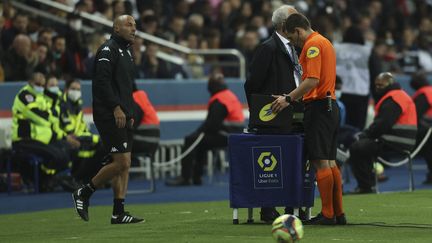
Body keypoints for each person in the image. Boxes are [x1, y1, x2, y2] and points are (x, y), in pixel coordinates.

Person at [271, 13, 345, 225]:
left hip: (320, 108)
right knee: (330, 162)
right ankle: (338, 213)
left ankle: (328, 215)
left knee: (319, 161)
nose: (294, 44)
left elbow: (312, 80)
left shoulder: (312, 46)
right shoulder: (325, 42)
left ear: (298, 31)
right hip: (331, 107)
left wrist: (288, 98)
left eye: (293, 39)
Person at [72, 15, 144, 224]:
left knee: (124, 164)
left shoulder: (127, 52)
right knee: (121, 162)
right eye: (129, 25)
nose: (133, 29)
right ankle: (84, 192)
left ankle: (118, 212)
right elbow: (102, 83)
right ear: (116, 28)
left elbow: (126, 87)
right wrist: (116, 108)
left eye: (135, 25)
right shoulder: (107, 50)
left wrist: (129, 113)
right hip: (109, 114)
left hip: (123, 114)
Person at [243, 5, 302, 223]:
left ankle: (290, 205)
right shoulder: (267, 48)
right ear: (283, 24)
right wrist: (260, 112)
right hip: (274, 116)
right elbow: (252, 84)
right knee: (271, 164)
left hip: (291, 114)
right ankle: (267, 209)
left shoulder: (292, 48)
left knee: (287, 163)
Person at [165, 73, 244, 186]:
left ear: (211, 86)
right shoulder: (228, 95)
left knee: (190, 140)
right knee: (200, 143)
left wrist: (198, 132)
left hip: (227, 135)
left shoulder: (219, 100)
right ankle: (197, 177)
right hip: (234, 134)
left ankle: (185, 177)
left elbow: (212, 125)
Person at [347, 72, 417, 193]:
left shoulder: (394, 98)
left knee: (358, 147)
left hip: (394, 141)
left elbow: (382, 124)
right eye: (376, 85)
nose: (378, 88)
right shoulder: (398, 95)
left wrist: (364, 135)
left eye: (381, 85)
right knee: (363, 146)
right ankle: (369, 184)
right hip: (400, 140)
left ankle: (366, 187)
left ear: (390, 84)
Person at [11, 72, 78, 192]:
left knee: (64, 154)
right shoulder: (25, 95)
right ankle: (43, 181)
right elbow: (39, 116)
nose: (40, 87)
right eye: (38, 84)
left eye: (42, 85)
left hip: (38, 140)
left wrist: (49, 118)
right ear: (30, 82)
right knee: (57, 155)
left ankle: (47, 180)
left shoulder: (39, 97)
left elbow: (50, 118)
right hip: (24, 140)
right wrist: (49, 118)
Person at [60, 78, 105, 183]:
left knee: (103, 147)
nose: (76, 92)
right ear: (66, 90)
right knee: (101, 143)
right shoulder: (62, 105)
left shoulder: (77, 106)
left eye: (78, 89)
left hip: (80, 138)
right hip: (68, 139)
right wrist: (92, 138)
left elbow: (82, 127)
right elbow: (70, 131)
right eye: (73, 89)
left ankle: (90, 178)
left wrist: (88, 137)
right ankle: (78, 178)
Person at [409, 72, 432, 184]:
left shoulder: (423, 94)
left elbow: (416, 115)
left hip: (428, 130)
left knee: (429, 152)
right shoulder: (430, 91)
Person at [131, 83, 160, 158]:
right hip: (153, 143)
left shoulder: (135, 97)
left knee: (113, 147)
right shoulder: (141, 96)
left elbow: (132, 124)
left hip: (142, 141)